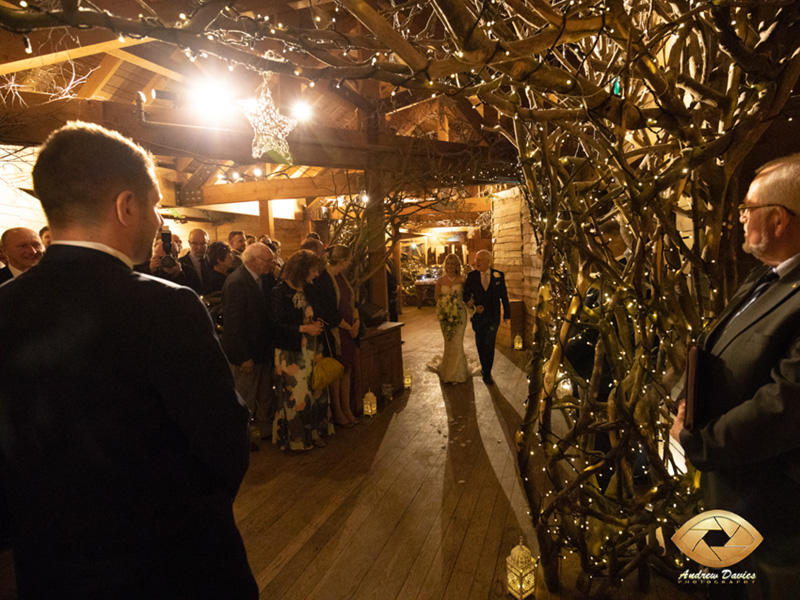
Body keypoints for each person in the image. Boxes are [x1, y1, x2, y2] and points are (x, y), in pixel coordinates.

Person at [0, 121, 257, 598]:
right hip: (168, 566)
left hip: (50, 570)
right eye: (157, 205)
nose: (160, 221)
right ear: (127, 205)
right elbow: (224, 443)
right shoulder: (166, 306)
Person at [671, 154, 800, 600]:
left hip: (766, 492)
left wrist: (699, 441)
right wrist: (684, 397)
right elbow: (712, 341)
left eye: (748, 208)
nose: (740, 217)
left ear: (779, 220)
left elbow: (784, 405)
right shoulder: (765, 278)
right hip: (729, 477)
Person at [268, 249, 332, 451]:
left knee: (316, 392)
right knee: (297, 397)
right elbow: (275, 325)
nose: (316, 275)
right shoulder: (278, 293)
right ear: (301, 270)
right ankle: (297, 440)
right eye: (313, 270)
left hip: (312, 349)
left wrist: (318, 324)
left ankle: (315, 434)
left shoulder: (310, 290)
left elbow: (320, 312)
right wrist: (304, 328)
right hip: (290, 353)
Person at [222, 243, 276, 451]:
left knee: (263, 395)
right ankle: (240, 439)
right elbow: (234, 324)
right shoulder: (237, 282)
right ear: (252, 261)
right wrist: (243, 356)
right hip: (246, 354)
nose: (272, 264)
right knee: (245, 398)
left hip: (261, 350)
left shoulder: (261, 278)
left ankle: (261, 433)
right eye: (267, 261)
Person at [310, 245, 360, 426]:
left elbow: (352, 300)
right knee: (337, 371)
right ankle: (338, 411)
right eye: (349, 260)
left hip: (348, 329)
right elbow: (328, 311)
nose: (350, 262)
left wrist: (357, 320)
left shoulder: (342, 277)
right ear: (342, 260)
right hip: (336, 331)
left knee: (347, 369)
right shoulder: (324, 279)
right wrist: (348, 327)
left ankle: (346, 407)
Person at [462, 249, 510, 385]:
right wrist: (468, 301)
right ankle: (484, 366)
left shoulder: (498, 276)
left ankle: (487, 373)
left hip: (493, 317)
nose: (476, 262)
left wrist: (507, 314)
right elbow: (465, 294)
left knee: (490, 344)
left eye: (480, 260)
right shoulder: (471, 276)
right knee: (480, 344)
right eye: (476, 259)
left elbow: (504, 296)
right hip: (478, 317)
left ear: (489, 262)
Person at [429, 254, 476, 384]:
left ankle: (457, 373)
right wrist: (444, 307)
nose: (450, 266)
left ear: (457, 266)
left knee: (457, 342)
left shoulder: (462, 279)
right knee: (448, 342)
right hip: (445, 315)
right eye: (448, 263)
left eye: (452, 264)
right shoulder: (440, 280)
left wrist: (471, 301)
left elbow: (468, 295)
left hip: (460, 314)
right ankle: (448, 369)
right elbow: (436, 298)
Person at [180, 227, 213, 295]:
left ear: (208, 243)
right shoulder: (181, 264)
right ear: (189, 243)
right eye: (195, 243)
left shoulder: (213, 261)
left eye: (203, 243)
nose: (199, 247)